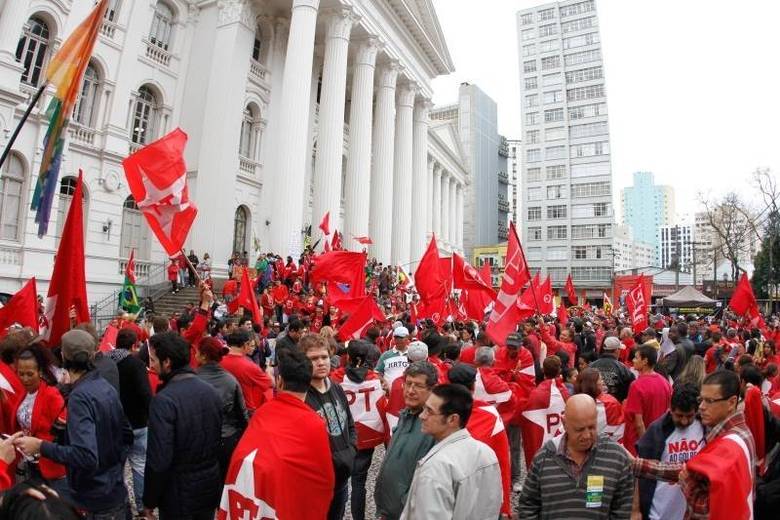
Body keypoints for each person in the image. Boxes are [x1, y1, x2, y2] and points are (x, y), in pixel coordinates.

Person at [15, 330, 132, 519]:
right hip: (114, 489)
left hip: (94, 497)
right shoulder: (105, 386)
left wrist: (41, 446)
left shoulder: (80, 397)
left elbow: (85, 455)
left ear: (63, 356)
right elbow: (127, 435)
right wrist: (113, 469)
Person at [219, 349, 334, 520]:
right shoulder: (315, 423)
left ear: (280, 381)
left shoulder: (262, 412)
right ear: (308, 381)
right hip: (283, 498)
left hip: (246, 492)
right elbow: (323, 480)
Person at [631, 370, 756, 519]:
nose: (702, 407)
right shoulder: (736, 434)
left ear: (731, 402)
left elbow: (706, 511)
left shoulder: (728, 446)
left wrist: (687, 483)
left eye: (709, 401)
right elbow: (687, 469)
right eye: (701, 400)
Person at [143, 332, 223, 520]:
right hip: (209, 486)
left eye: (154, 359)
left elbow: (159, 460)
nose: (151, 365)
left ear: (167, 362)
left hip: (178, 492)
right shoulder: (211, 392)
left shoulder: (164, 401)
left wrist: (149, 500)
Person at [517, 394, 634, 519]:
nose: (587, 435)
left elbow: (622, 509)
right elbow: (528, 507)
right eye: (579, 429)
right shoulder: (543, 458)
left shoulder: (616, 458)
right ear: (564, 423)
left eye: (592, 427)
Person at [400, 384, 502, 519]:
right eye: (424, 408)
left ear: (452, 419)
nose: (422, 416)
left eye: (429, 411)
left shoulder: (437, 466)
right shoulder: (487, 453)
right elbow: (493, 505)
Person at [330, 340, 388, 520]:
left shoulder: (335, 378)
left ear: (348, 356)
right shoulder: (375, 379)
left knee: (338, 483)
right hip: (365, 438)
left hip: (342, 438)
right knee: (359, 482)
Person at [447, 363, 512, 519]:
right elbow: (502, 461)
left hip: (445, 492)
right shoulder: (490, 415)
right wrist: (505, 507)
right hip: (480, 495)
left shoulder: (437, 413)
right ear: (474, 386)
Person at [302, 334, 356, 520]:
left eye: (324, 357)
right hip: (315, 484)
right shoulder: (300, 397)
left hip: (341, 479)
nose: (321, 363)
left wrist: (351, 450)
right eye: (314, 359)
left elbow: (349, 422)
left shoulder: (336, 387)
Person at [374, 361, 437, 520]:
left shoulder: (434, 427)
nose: (410, 391)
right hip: (389, 510)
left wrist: (405, 504)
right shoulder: (406, 414)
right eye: (408, 384)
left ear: (432, 389)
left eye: (418, 386)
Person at [635, 383, 705, 520]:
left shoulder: (705, 427)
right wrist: (635, 509)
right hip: (659, 512)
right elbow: (639, 472)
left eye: (689, 416)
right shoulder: (657, 431)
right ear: (670, 410)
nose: (684, 421)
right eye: (679, 416)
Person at [12, 345, 68, 495]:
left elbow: (64, 431)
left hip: (52, 467)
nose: (24, 379)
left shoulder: (51, 395)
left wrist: (41, 446)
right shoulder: (23, 393)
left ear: (40, 372)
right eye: (20, 373)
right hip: (30, 465)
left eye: (30, 374)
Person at [111, 328, 153, 515]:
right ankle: (142, 508)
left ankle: (121, 503)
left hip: (114, 423)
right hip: (137, 422)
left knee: (116, 467)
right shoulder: (135, 364)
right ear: (134, 344)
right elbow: (145, 394)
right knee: (138, 465)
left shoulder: (105, 362)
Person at [196, 336, 249, 480]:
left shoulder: (192, 379)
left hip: (199, 440)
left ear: (203, 355)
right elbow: (242, 415)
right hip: (226, 439)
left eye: (197, 352)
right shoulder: (230, 380)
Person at [624, 345, 672, 455]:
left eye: (636, 357)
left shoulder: (636, 385)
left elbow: (639, 423)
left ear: (645, 361)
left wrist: (645, 446)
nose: (633, 360)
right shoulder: (665, 383)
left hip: (638, 446)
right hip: (659, 442)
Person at [220, 330, 272, 415]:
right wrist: (269, 371)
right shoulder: (250, 366)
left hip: (223, 408)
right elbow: (269, 384)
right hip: (245, 410)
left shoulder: (219, 362)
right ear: (245, 344)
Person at [574, 367, 625, 443]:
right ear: (593, 384)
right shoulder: (610, 403)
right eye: (600, 379)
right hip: (605, 448)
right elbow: (619, 433)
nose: (603, 382)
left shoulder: (573, 402)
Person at [589, 336, 635, 401]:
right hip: (615, 406)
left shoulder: (591, 366)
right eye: (619, 349)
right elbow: (632, 388)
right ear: (616, 350)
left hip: (594, 405)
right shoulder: (623, 368)